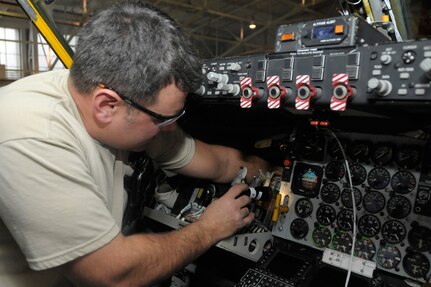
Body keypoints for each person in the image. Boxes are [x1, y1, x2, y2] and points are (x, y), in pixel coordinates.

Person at [0, 1, 271, 286]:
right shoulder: (30, 134)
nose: (172, 127)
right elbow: (112, 273)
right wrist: (209, 228)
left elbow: (219, 163)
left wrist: (268, 171)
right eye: (165, 119)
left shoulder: (111, 97)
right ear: (107, 106)